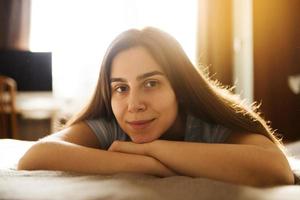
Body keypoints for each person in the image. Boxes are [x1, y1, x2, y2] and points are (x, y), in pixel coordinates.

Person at [18, 27, 294, 187]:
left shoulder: (206, 125)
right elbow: (35, 155)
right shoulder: (109, 125)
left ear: (180, 88)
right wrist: (150, 165)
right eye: (121, 88)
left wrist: (149, 147)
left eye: (150, 83)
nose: (134, 104)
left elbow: (276, 168)